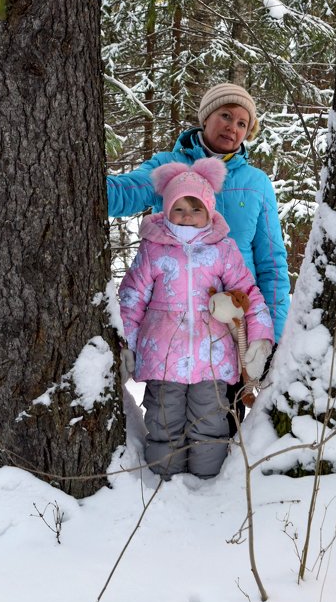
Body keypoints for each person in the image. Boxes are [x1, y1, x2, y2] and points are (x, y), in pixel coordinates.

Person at [118, 159, 274, 479]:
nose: (187, 216)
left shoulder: (223, 249)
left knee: (210, 420)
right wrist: (127, 346)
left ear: (209, 212)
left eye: (196, 208)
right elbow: (132, 298)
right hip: (162, 355)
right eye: (179, 208)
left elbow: (247, 293)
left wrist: (259, 338)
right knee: (163, 419)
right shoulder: (153, 249)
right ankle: (165, 480)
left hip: (212, 356)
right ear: (165, 210)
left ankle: (207, 482)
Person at [108, 82, 290, 342]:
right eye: (225, 115)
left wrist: (273, 333)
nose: (232, 127)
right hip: (175, 324)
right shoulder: (170, 166)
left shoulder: (256, 183)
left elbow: (271, 264)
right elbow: (124, 194)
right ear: (206, 117)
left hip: (234, 324)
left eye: (242, 124)